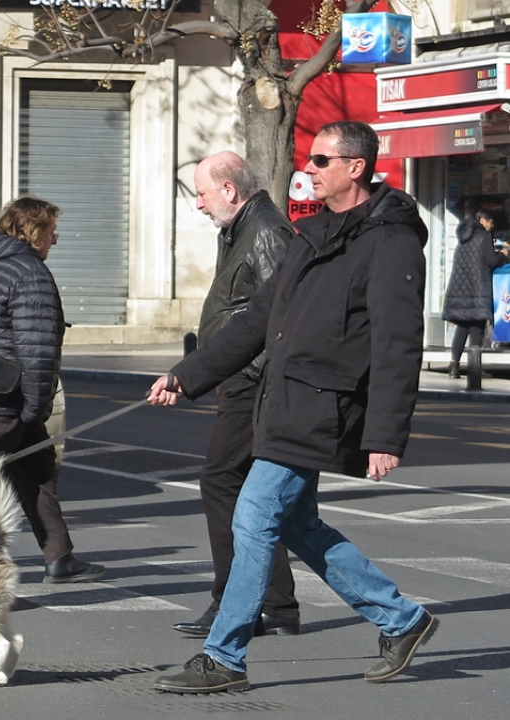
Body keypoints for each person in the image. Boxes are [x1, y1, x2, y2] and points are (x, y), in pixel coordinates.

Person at [147, 121, 437, 692]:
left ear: (356, 167)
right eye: (310, 159)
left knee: (254, 514)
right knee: (297, 522)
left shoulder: (391, 239)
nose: (310, 168)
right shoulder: (315, 233)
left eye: (322, 160)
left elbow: (398, 342)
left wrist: (385, 434)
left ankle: (224, 657)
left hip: (321, 407)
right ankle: (401, 620)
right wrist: (188, 374)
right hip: (281, 401)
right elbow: (257, 319)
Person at [172, 152, 298, 638]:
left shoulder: (265, 231)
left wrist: (244, 373)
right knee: (256, 490)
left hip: (254, 381)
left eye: (202, 193)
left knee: (221, 480)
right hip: (242, 378)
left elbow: (280, 315)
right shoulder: (241, 227)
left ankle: (233, 600)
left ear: (229, 190)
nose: (199, 204)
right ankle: (277, 603)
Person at [0, 196, 105, 584]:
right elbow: (36, 348)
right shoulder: (29, 274)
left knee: (37, 473)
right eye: (52, 232)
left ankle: (59, 556)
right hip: (11, 397)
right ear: (33, 231)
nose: (54, 241)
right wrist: (36, 406)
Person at [442, 206, 509, 378]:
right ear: (482, 220)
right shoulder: (483, 236)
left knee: (462, 327)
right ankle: (474, 370)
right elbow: (491, 260)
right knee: (477, 328)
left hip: (460, 290)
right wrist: (503, 254)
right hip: (477, 288)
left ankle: (453, 366)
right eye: (490, 222)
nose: (491, 226)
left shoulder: (463, 237)